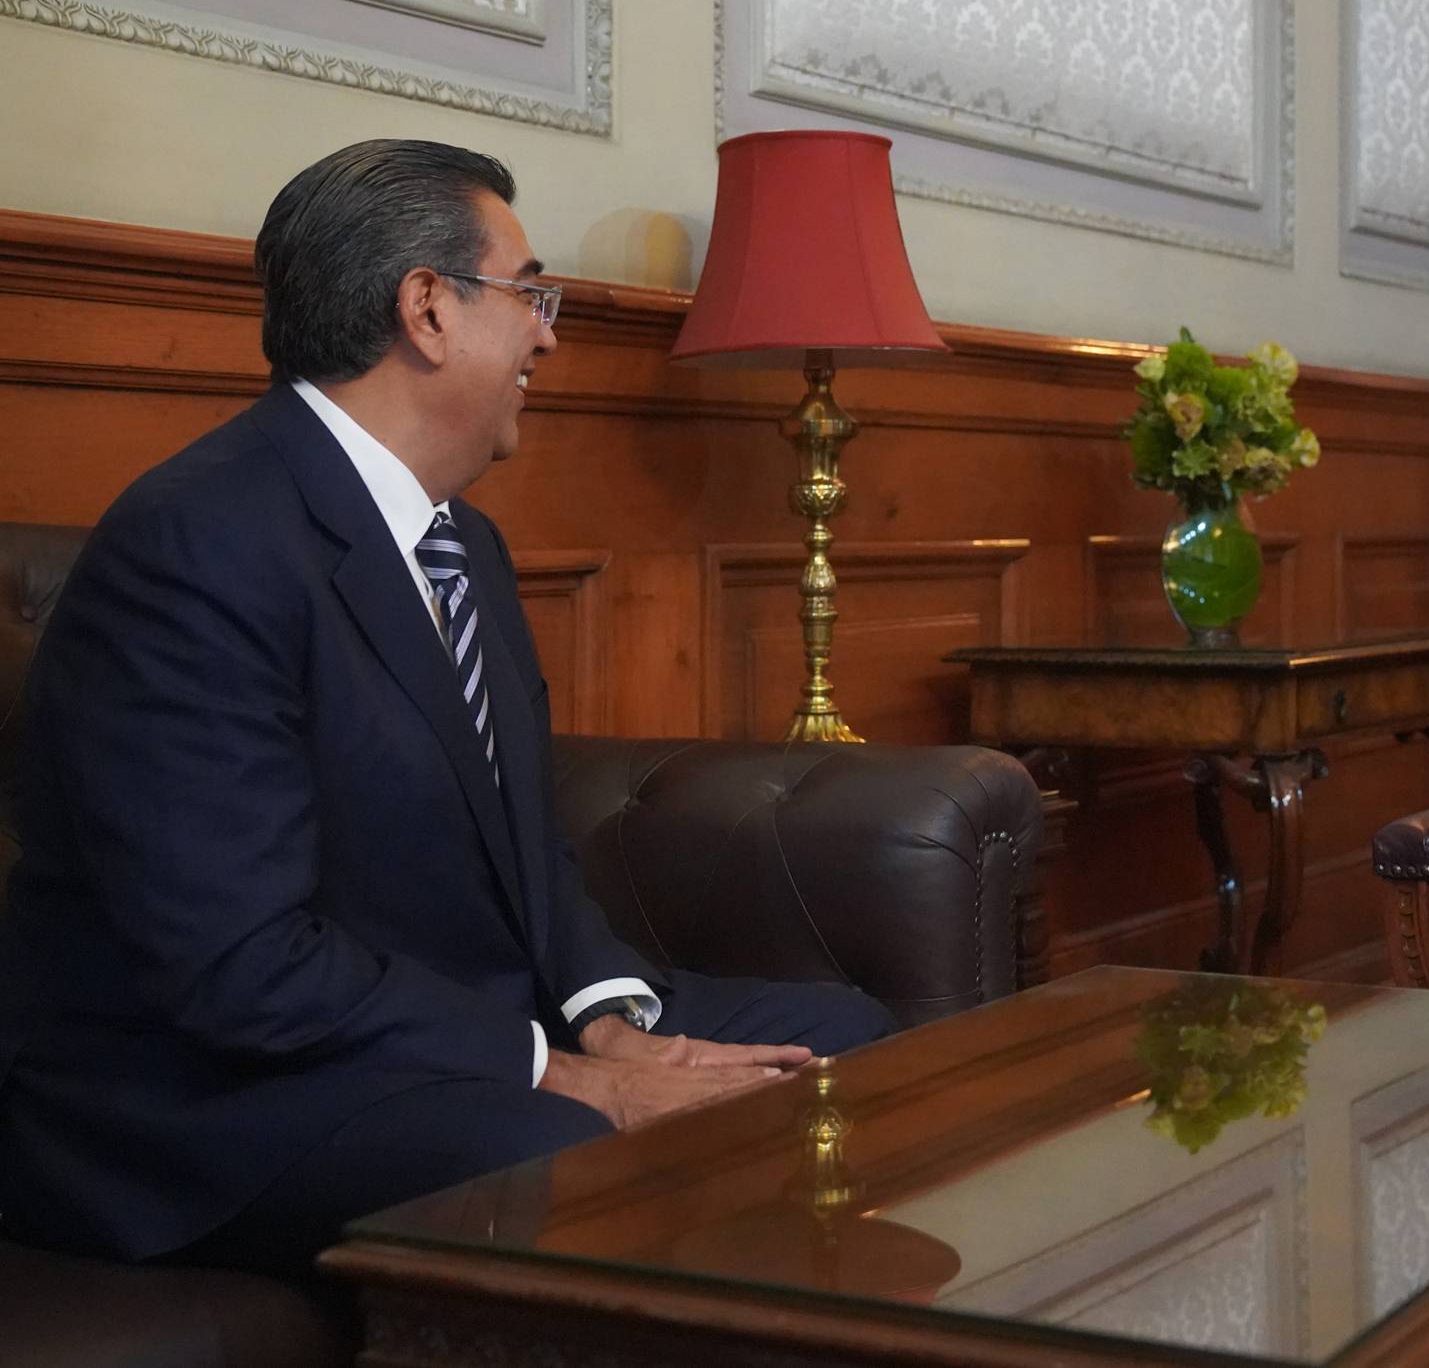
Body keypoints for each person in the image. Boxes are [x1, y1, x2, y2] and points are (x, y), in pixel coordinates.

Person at [0, 140, 894, 1277]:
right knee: (561, 1147)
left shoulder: (460, 541)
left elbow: (527, 847)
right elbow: (240, 966)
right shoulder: (201, 547)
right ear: (427, 308)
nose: (550, 333)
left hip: (434, 1033)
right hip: (196, 1095)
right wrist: (559, 1069)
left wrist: (612, 1018)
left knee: (847, 1045)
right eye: (531, 295)